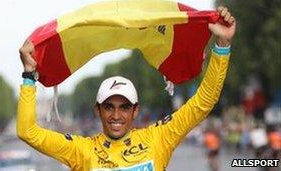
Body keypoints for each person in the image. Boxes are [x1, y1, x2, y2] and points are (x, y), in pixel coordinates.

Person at [17, 6, 236, 171]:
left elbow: (204, 102)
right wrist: (29, 75)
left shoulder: (158, 138)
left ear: (135, 110)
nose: (116, 115)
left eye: (124, 107)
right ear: (98, 110)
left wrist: (222, 45)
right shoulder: (81, 149)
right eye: (108, 107)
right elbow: (27, 132)